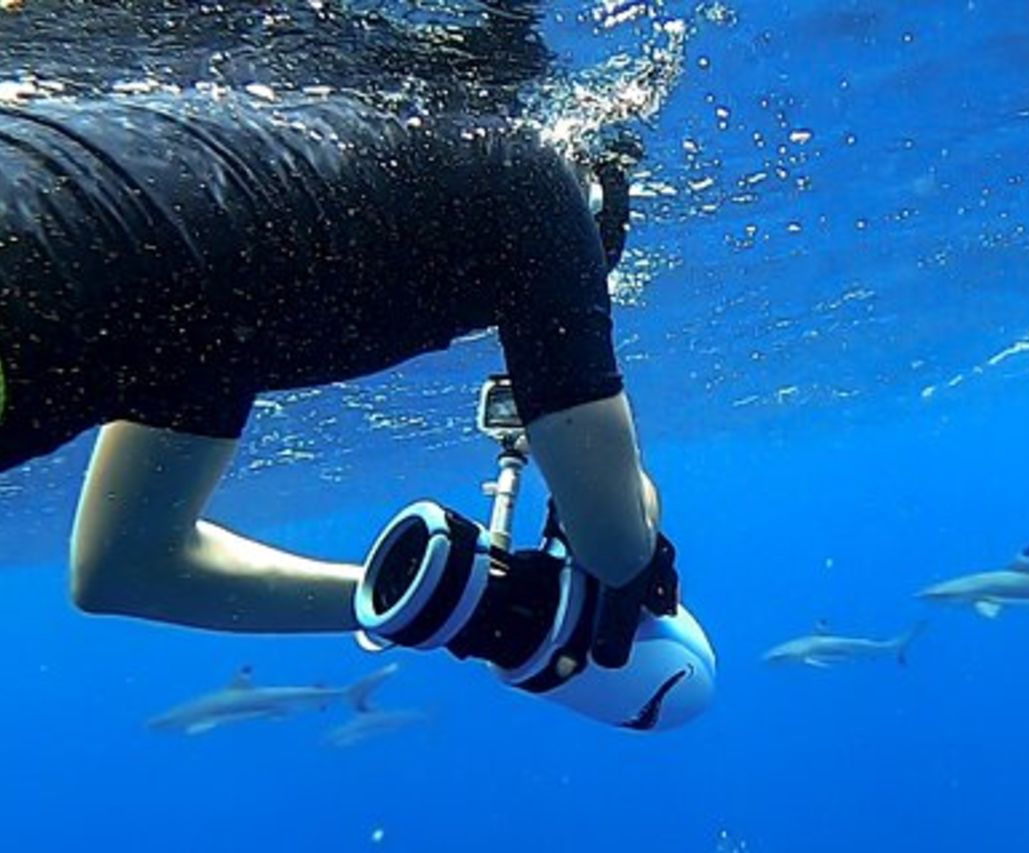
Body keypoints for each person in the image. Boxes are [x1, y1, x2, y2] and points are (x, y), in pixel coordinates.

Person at [0, 0, 673, 668]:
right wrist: (630, 493)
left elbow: (126, 567)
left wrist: (457, 608)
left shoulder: (226, 279)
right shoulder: (531, 176)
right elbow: (614, 549)